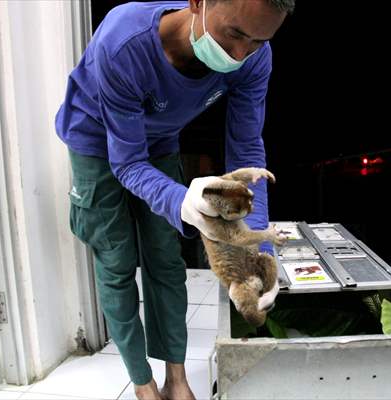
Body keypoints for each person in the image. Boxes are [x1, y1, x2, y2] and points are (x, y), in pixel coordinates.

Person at [54, 1, 294, 399]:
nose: (239, 55)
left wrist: (258, 254)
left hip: (159, 137)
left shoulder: (254, 57)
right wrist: (181, 200)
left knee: (165, 257)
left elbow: (248, 153)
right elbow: (127, 162)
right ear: (198, 3)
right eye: (234, 34)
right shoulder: (124, 42)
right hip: (94, 139)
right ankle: (142, 384)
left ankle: (177, 379)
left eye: (257, 42)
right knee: (116, 259)